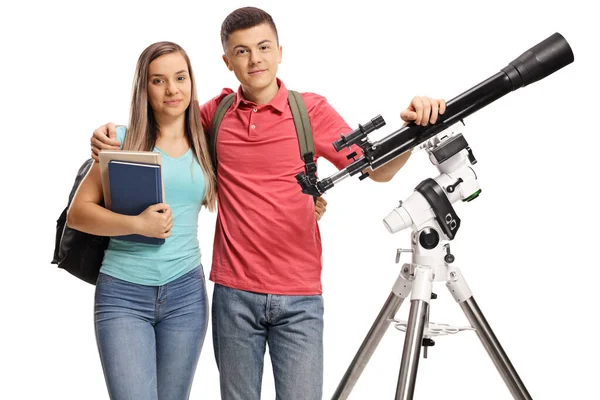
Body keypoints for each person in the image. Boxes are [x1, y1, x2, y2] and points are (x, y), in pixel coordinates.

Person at [89, 7, 446, 400]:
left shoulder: (309, 111)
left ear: (280, 51)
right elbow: (165, 124)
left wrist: (415, 130)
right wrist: (111, 134)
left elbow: (377, 169)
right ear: (227, 62)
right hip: (233, 296)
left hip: (300, 297)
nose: (254, 59)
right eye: (241, 52)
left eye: (263, 47)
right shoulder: (213, 116)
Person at [67, 41, 216, 400]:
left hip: (186, 296)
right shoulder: (121, 140)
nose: (172, 90)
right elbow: (79, 213)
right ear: (144, 88)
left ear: (192, 82)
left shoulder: (209, 143)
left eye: (180, 78)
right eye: (158, 81)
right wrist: (137, 225)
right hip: (122, 293)